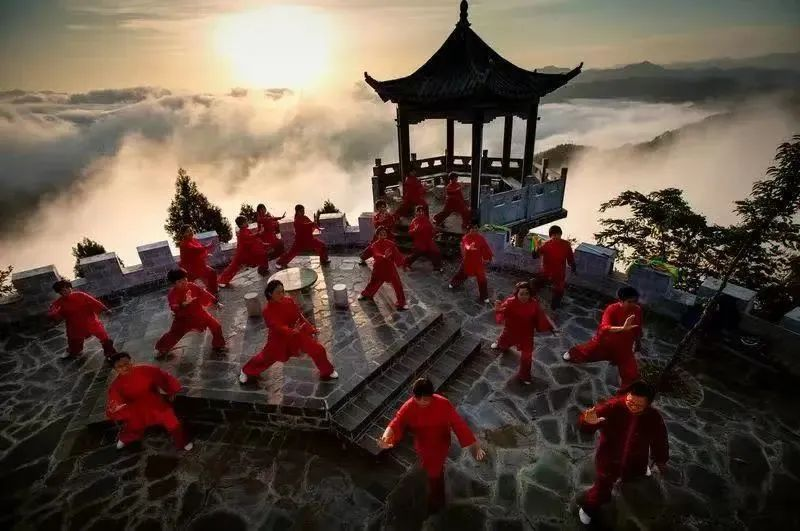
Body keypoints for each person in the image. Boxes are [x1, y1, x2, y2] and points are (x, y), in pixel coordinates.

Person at [378, 378, 486, 513]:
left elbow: (459, 424)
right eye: (418, 398)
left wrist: (475, 446)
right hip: (422, 443)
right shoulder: (409, 406)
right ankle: (436, 484)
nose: (421, 402)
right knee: (430, 465)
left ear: (432, 395)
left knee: (435, 473)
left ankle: (437, 497)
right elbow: (397, 422)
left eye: (425, 399)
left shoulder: (443, 403)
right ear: (414, 395)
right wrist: (386, 437)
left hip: (440, 443)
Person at [576, 381, 669, 525]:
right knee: (602, 487)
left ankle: (636, 472)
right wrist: (588, 422)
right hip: (610, 457)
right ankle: (588, 509)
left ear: (648, 405)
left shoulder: (654, 417)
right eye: (630, 402)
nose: (633, 407)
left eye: (638, 406)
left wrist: (661, 460)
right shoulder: (613, 406)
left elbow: (660, 440)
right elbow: (591, 420)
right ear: (628, 395)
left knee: (636, 471)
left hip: (637, 457)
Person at [239, 280, 338, 383]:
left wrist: (310, 328)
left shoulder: (289, 301)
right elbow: (277, 327)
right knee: (265, 358)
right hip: (278, 339)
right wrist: (292, 331)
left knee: (318, 349)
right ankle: (246, 371)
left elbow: (299, 316)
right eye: (278, 292)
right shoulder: (267, 311)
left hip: (297, 334)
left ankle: (327, 371)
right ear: (270, 294)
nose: (282, 294)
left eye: (283, 291)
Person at [106, 352, 193, 451]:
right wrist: (118, 409)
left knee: (172, 422)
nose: (124, 367)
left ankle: (182, 442)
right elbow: (114, 400)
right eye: (120, 366)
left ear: (131, 361)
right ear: (115, 369)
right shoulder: (116, 385)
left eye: (126, 363)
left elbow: (162, 377)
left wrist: (171, 390)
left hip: (155, 402)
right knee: (134, 426)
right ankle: (125, 439)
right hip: (135, 408)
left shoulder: (146, 370)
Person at [563, 286, 642, 389]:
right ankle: (572, 352)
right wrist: (622, 328)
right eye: (630, 302)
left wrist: (638, 341)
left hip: (624, 346)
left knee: (631, 375)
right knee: (586, 353)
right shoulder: (611, 309)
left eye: (635, 301)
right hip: (606, 342)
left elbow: (638, 327)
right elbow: (605, 327)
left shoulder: (637, 310)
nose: (633, 304)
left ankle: (624, 395)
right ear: (621, 301)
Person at [492, 282, 556, 384]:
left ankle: (525, 376)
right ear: (516, 293)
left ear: (530, 294)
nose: (524, 296)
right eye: (521, 294)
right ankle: (500, 345)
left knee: (527, 356)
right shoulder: (510, 302)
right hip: (511, 330)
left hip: (527, 335)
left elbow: (541, 317)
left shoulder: (534, 304)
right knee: (504, 340)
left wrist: (550, 327)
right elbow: (501, 312)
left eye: (527, 293)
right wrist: (498, 310)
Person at [154, 268, 227, 358]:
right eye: (180, 281)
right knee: (174, 334)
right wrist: (184, 303)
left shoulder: (192, 286)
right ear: (174, 283)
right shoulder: (173, 294)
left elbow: (204, 293)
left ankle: (218, 345)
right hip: (183, 319)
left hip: (200, 313)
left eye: (185, 279)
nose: (184, 282)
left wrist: (216, 302)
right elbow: (174, 306)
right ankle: (162, 349)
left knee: (216, 326)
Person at [49, 279, 117, 360]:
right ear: (59, 293)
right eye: (63, 290)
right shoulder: (59, 302)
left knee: (104, 337)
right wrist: (53, 313)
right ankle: (73, 351)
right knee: (74, 341)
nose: (66, 291)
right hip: (75, 326)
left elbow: (94, 302)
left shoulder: (80, 295)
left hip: (91, 322)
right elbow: (53, 311)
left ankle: (110, 353)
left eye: (67, 288)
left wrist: (105, 309)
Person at [358, 226, 409, 310]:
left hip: (390, 268)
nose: (383, 235)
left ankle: (402, 303)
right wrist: (383, 256)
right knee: (373, 282)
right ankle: (366, 294)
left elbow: (397, 255)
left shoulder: (391, 244)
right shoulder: (374, 245)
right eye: (381, 234)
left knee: (398, 285)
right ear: (377, 235)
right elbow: (376, 253)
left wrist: (403, 265)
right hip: (379, 267)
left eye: (384, 233)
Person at [530, 225, 576, 309]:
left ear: (560, 235)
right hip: (546, 273)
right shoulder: (546, 245)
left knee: (559, 291)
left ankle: (554, 307)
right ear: (550, 236)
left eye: (558, 234)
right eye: (554, 235)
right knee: (534, 283)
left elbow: (570, 258)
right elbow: (535, 256)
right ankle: (531, 300)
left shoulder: (566, 245)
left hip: (559, 274)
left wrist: (573, 266)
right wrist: (536, 247)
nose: (556, 237)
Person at [218, 216, 270, 287]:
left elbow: (253, 239)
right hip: (241, 254)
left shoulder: (245, 230)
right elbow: (250, 237)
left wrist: (262, 243)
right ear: (242, 224)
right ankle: (222, 281)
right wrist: (259, 234)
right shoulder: (242, 232)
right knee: (233, 268)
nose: (247, 223)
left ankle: (262, 269)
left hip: (246, 253)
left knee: (261, 255)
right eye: (246, 222)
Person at [449, 224, 493, 303]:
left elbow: (486, 247)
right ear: (469, 229)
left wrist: (488, 256)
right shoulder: (466, 237)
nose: (474, 230)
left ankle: (484, 296)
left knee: (482, 279)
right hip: (468, 261)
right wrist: (469, 247)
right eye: (472, 228)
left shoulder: (481, 238)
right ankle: (453, 283)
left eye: (476, 228)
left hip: (478, 262)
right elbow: (466, 245)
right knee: (462, 273)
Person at [276, 204, 330, 269]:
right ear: (297, 211)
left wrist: (316, 226)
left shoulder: (305, 217)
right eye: (301, 211)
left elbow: (312, 224)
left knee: (322, 245)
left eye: (303, 210)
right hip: (300, 242)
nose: (303, 212)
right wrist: (312, 224)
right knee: (291, 254)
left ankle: (324, 260)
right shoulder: (296, 220)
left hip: (309, 240)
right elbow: (304, 226)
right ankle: (279, 263)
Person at [178, 225, 218, 295]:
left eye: (191, 230)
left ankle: (212, 292)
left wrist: (206, 254)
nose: (191, 232)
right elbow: (196, 250)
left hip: (198, 265)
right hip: (190, 268)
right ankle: (210, 292)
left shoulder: (193, 240)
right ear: (183, 234)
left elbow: (199, 248)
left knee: (212, 273)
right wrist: (209, 246)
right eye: (188, 231)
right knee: (190, 285)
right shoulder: (184, 244)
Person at [405, 205, 443, 272]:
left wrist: (436, 234)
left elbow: (431, 230)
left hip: (428, 241)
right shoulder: (414, 221)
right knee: (417, 252)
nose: (421, 213)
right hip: (420, 241)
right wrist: (415, 230)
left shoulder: (426, 219)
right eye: (419, 211)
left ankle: (437, 267)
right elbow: (410, 232)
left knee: (436, 251)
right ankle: (406, 263)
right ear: (416, 212)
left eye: (422, 211)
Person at [359, 200, 396, 265]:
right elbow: (375, 225)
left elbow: (392, 224)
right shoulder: (376, 216)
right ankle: (363, 258)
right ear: (378, 208)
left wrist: (385, 222)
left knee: (390, 248)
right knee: (372, 247)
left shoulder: (389, 216)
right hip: (378, 235)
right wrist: (380, 221)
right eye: (380, 207)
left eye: (383, 207)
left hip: (387, 235)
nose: (382, 209)